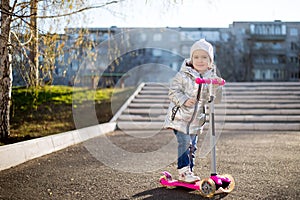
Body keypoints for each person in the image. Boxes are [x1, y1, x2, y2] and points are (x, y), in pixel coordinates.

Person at [164, 38, 223, 183]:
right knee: (184, 143)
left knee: (192, 147)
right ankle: (183, 172)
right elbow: (173, 91)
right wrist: (184, 99)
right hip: (180, 117)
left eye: (204, 57)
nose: (200, 60)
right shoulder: (183, 75)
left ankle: (189, 171)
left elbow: (216, 99)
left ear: (210, 61)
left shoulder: (210, 78)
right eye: (196, 57)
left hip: (196, 120)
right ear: (191, 59)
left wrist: (217, 86)